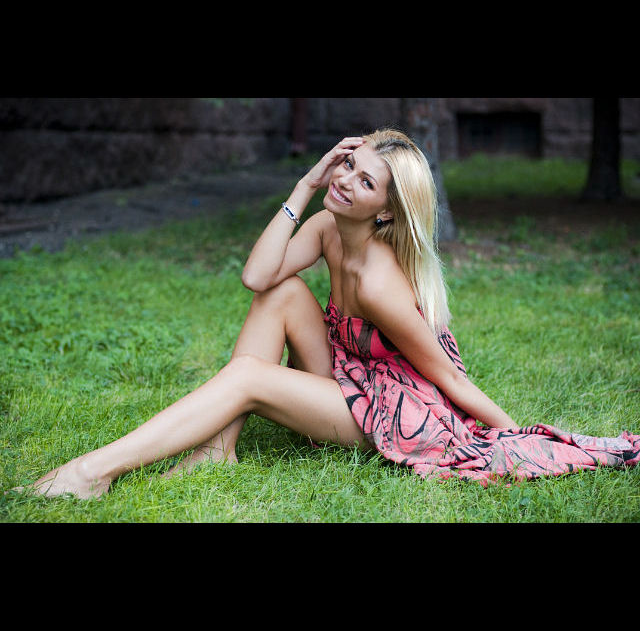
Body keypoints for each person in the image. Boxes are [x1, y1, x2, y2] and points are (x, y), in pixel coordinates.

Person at [18, 129, 640, 499]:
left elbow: (447, 378)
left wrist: (513, 435)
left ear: (386, 211)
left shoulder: (379, 283)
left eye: (365, 183)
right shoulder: (326, 226)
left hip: (394, 415)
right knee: (280, 293)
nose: (345, 181)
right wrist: (305, 185)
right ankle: (217, 449)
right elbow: (256, 277)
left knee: (248, 377)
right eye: (348, 165)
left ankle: (92, 472)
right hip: (349, 377)